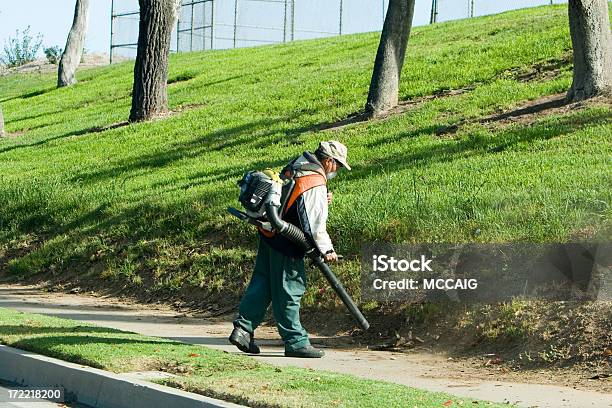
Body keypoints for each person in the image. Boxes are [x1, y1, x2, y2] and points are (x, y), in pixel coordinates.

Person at [229, 141, 351, 358]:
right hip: (288, 241)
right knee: (290, 290)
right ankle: (296, 342)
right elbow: (315, 224)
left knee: (262, 284)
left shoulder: (299, 165)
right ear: (329, 161)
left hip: (270, 234)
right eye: (338, 166)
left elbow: (292, 197)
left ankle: (243, 330)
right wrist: (327, 250)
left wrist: (322, 197)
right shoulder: (315, 181)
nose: (337, 171)